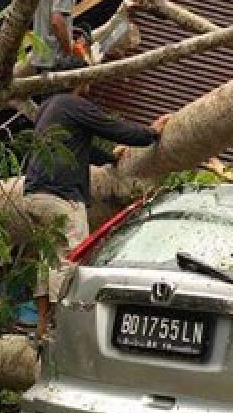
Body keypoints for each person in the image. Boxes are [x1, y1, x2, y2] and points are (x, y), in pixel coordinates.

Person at [24, 55, 169, 339]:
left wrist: (107, 160)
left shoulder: (47, 108)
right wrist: (152, 133)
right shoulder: (75, 105)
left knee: (47, 259)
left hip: (33, 194)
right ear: (78, 80)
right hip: (61, 196)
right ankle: (62, 325)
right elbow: (116, 129)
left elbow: (80, 148)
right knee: (73, 257)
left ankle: (42, 327)